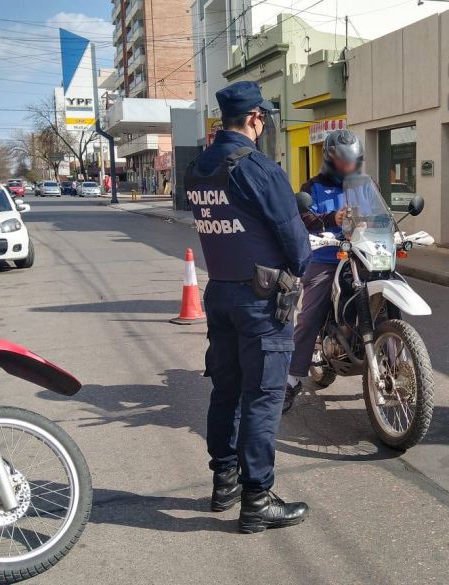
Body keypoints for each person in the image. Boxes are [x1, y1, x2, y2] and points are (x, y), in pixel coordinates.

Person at [184, 80, 312, 532]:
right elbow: (295, 239)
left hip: (220, 292)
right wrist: (295, 272)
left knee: (227, 391)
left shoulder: (199, 168)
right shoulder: (258, 168)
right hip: (261, 301)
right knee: (262, 398)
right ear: (256, 118)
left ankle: (225, 482)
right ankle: (257, 501)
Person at [283, 129, 364, 413]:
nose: (348, 166)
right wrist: (332, 218)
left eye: (352, 160)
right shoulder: (312, 187)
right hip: (327, 257)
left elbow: (380, 213)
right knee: (310, 315)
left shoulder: (363, 185)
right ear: (330, 158)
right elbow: (303, 218)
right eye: (343, 160)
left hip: (362, 256)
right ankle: (292, 379)